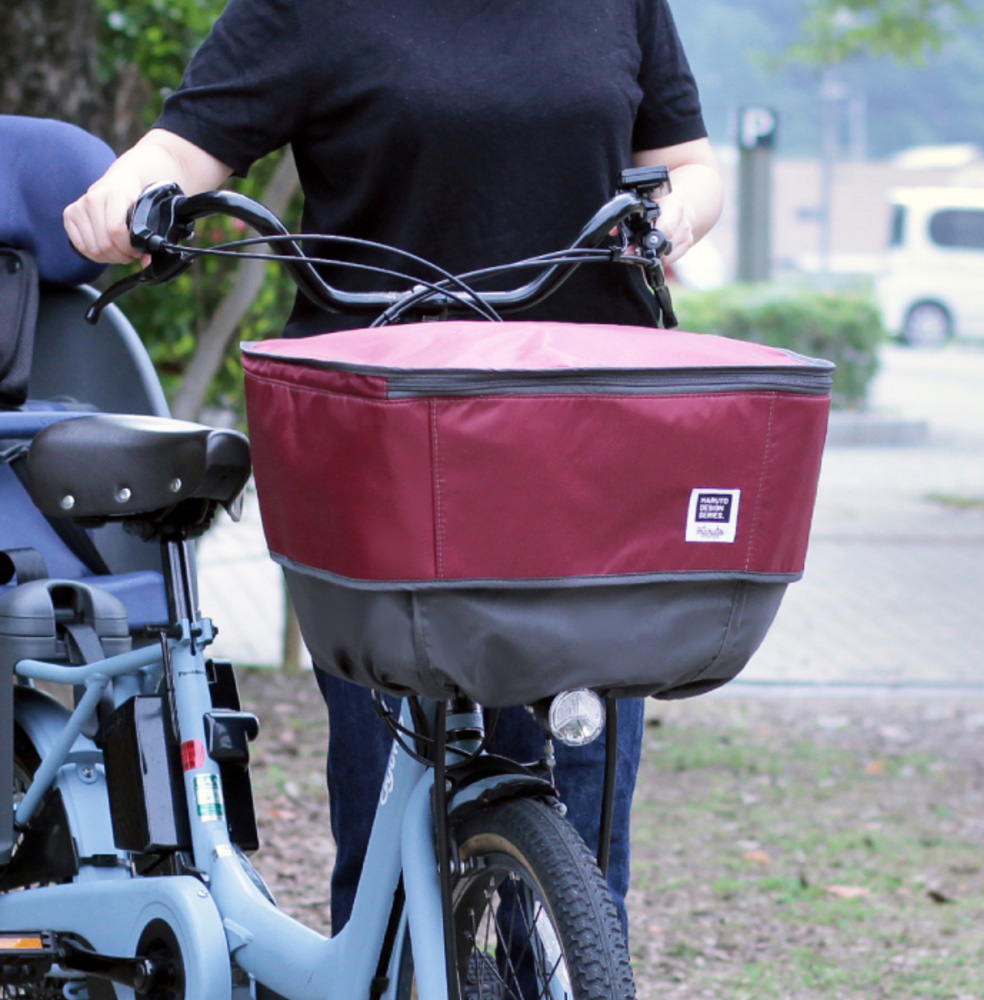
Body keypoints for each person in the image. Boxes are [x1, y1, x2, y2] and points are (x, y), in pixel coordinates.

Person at [65, 0, 724, 944]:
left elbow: (689, 166)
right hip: (382, 451)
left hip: (578, 443)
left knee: (581, 841)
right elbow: (184, 146)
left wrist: (671, 217)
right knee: (390, 827)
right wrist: (124, 193)